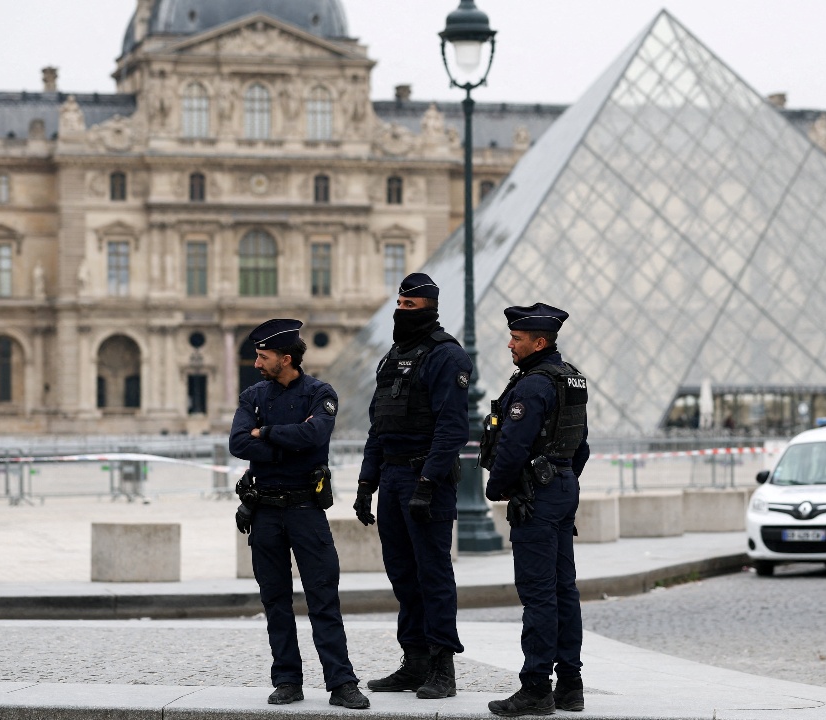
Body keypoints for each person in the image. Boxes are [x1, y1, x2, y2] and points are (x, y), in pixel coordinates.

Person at [230, 319, 369, 710]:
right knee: (275, 601)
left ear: (285, 358)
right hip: (265, 511)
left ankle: (341, 682)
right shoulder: (253, 395)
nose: (256, 363)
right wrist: (283, 439)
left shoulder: (320, 393)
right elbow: (238, 442)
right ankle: (288, 679)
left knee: (323, 598)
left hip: (306, 509)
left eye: (263, 356)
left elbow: (314, 438)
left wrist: (266, 434)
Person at [354, 273, 471, 700]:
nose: (401, 313)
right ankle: (414, 659)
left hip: (426, 478)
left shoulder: (446, 356)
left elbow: (452, 428)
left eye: (410, 307)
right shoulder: (391, 357)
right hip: (391, 477)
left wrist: (427, 482)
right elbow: (378, 424)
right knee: (403, 574)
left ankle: (442, 666)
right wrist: (367, 483)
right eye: (398, 306)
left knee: (433, 574)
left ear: (429, 307)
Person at [481, 303, 590, 717]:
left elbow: (511, 447)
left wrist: (500, 487)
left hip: (536, 497)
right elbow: (581, 445)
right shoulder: (571, 379)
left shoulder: (532, 386)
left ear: (538, 342)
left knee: (539, 594)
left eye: (517, 338)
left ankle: (536, 688)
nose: (510, 343)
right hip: (562, 487)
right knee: (565, 590)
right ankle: (570, 686)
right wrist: (561, 476)